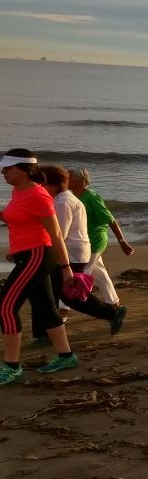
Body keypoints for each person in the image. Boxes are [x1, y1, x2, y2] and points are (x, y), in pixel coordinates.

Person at [0, 150, 80, 385]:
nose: (3, 172)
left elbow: (55, 234)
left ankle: (12, 366)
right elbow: (17, 218)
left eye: (8, 168)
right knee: (45, 307)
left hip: (37, 255)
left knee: (5, 307)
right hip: (25, 254)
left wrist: (66, 269)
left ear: (25, 170)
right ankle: (66, 356)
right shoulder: (18, 191)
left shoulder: (39, 196)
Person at [32, 166, 127, 341]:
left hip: (72, 253)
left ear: (52, 185)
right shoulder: (65, 199)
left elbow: (60, 233)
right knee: (54, 292)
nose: (40, 187)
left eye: (42, 184)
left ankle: (112, 313)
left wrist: (38, 246)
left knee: (70, 296)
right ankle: (44, 332)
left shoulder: (63, 202)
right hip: (74, 251)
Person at [67, 169, 135, 309]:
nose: (65, 179)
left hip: (94, 241)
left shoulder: (91, 196)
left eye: (69, 177)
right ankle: (115, 304)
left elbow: (110, 220)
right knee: (100, 273)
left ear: (79, 181)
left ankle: (63, 310)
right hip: (82, 241)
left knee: (76, 279)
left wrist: (122, 242)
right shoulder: (73, 197)